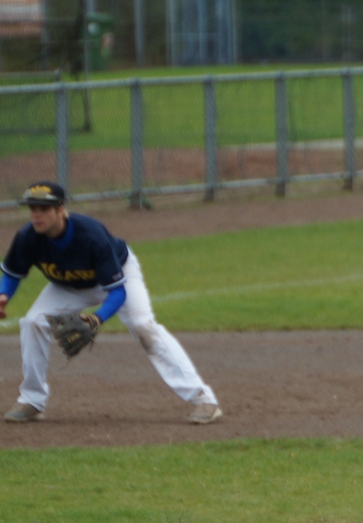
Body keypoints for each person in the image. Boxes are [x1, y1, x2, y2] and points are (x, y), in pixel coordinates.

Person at [0, 181, 222, 424]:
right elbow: (12, 272)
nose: (36, 214)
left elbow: (117, 292)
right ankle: (32, 400)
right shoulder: (27, 237)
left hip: (118, 276)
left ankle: (203, 399)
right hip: (68, 287)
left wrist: (97, 318)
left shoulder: (90, 235)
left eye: (44, 208)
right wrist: (3, 295)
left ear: (61, 209)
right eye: (32, 208)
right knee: (32, 322)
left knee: (142, 325)